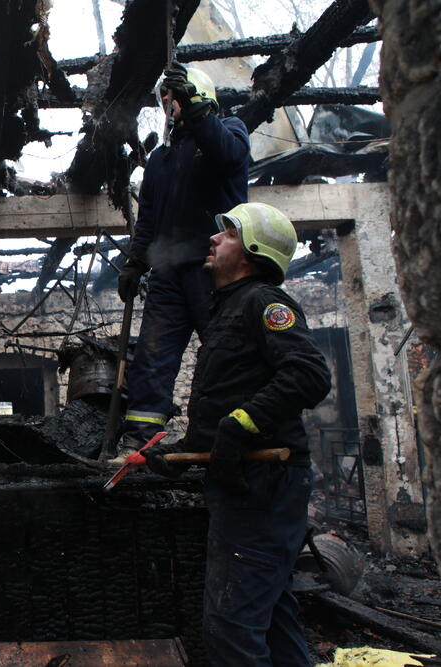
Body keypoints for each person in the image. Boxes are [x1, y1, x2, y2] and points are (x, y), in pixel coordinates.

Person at [144, 202, 332, 666]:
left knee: (231, 629)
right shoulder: (226, 309)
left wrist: (239, 425)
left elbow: (308, 375)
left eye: (226, 234)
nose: (212, 239)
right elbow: (228, 399)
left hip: (264, 486)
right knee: (274, 614)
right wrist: (183, 451)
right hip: (247, 484)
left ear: (249, 251)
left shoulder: (264, 302)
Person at [112, 63, 250, 460]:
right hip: (167, 273)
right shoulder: (159, 160)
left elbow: (227, 156)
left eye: (174, 99)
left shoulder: (229, 132)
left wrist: (194, 108)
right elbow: (150, 218)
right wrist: (135, 262)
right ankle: (140, 438)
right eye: (166, 101)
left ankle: (225, 435)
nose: (168, 108)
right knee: (152, 358)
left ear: (197, 98)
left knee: (223, 355)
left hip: (215, 269)